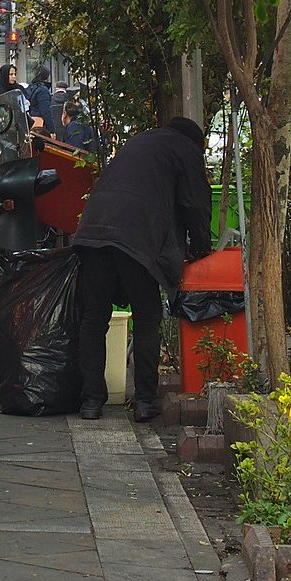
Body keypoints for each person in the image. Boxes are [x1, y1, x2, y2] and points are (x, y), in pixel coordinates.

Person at [73, 116, 214, 421]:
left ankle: (91, 401)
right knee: (147, 319)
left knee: (94, 318)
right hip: (136, 239)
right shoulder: (186, 150)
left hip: (94, 232)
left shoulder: (139, 142)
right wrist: (202, 245)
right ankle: (145, 401)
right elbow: (196, 204)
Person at [0, 64, 31, 163]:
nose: (14, 77)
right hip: (2, 130)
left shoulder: (18, 89)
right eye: (11, 74)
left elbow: (25, 105)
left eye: (14, 74)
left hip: (19, 128)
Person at [26, 64, 54, 129]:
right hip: (40, 124)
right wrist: (51, 129)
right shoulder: (43, 90)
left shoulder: (30, 87)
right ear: (47, 77)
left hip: (30, 122)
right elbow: (46, 111)